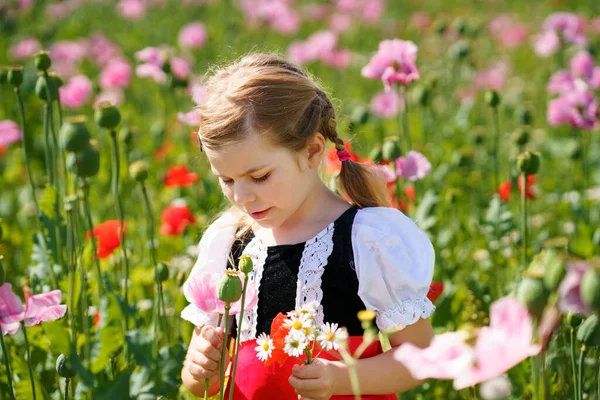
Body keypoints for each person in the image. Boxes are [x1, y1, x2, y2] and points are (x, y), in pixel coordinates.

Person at [180, 53, 435, 400]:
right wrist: (199, 369)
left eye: (259, 177)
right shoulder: (230, 245)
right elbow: (205, 386)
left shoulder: (364, 241)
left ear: (313, 151)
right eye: (226, 179)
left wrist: (342, 379)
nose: (241, 197)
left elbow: (419, 358)